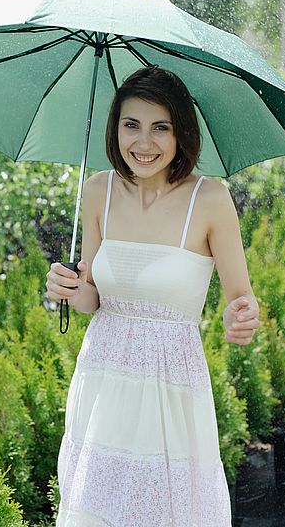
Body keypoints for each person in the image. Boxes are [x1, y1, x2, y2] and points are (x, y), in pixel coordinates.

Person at [46, 66, 259, 527]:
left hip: (170, 386)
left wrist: (241, 316)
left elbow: (241, 298)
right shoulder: (98, 191)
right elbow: (93, 299)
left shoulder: (209, 199)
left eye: (160, 127)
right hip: (104, 380)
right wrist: (67, 288)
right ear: (115, 128)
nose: (144, 143)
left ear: (181, 130)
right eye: (131, 125)